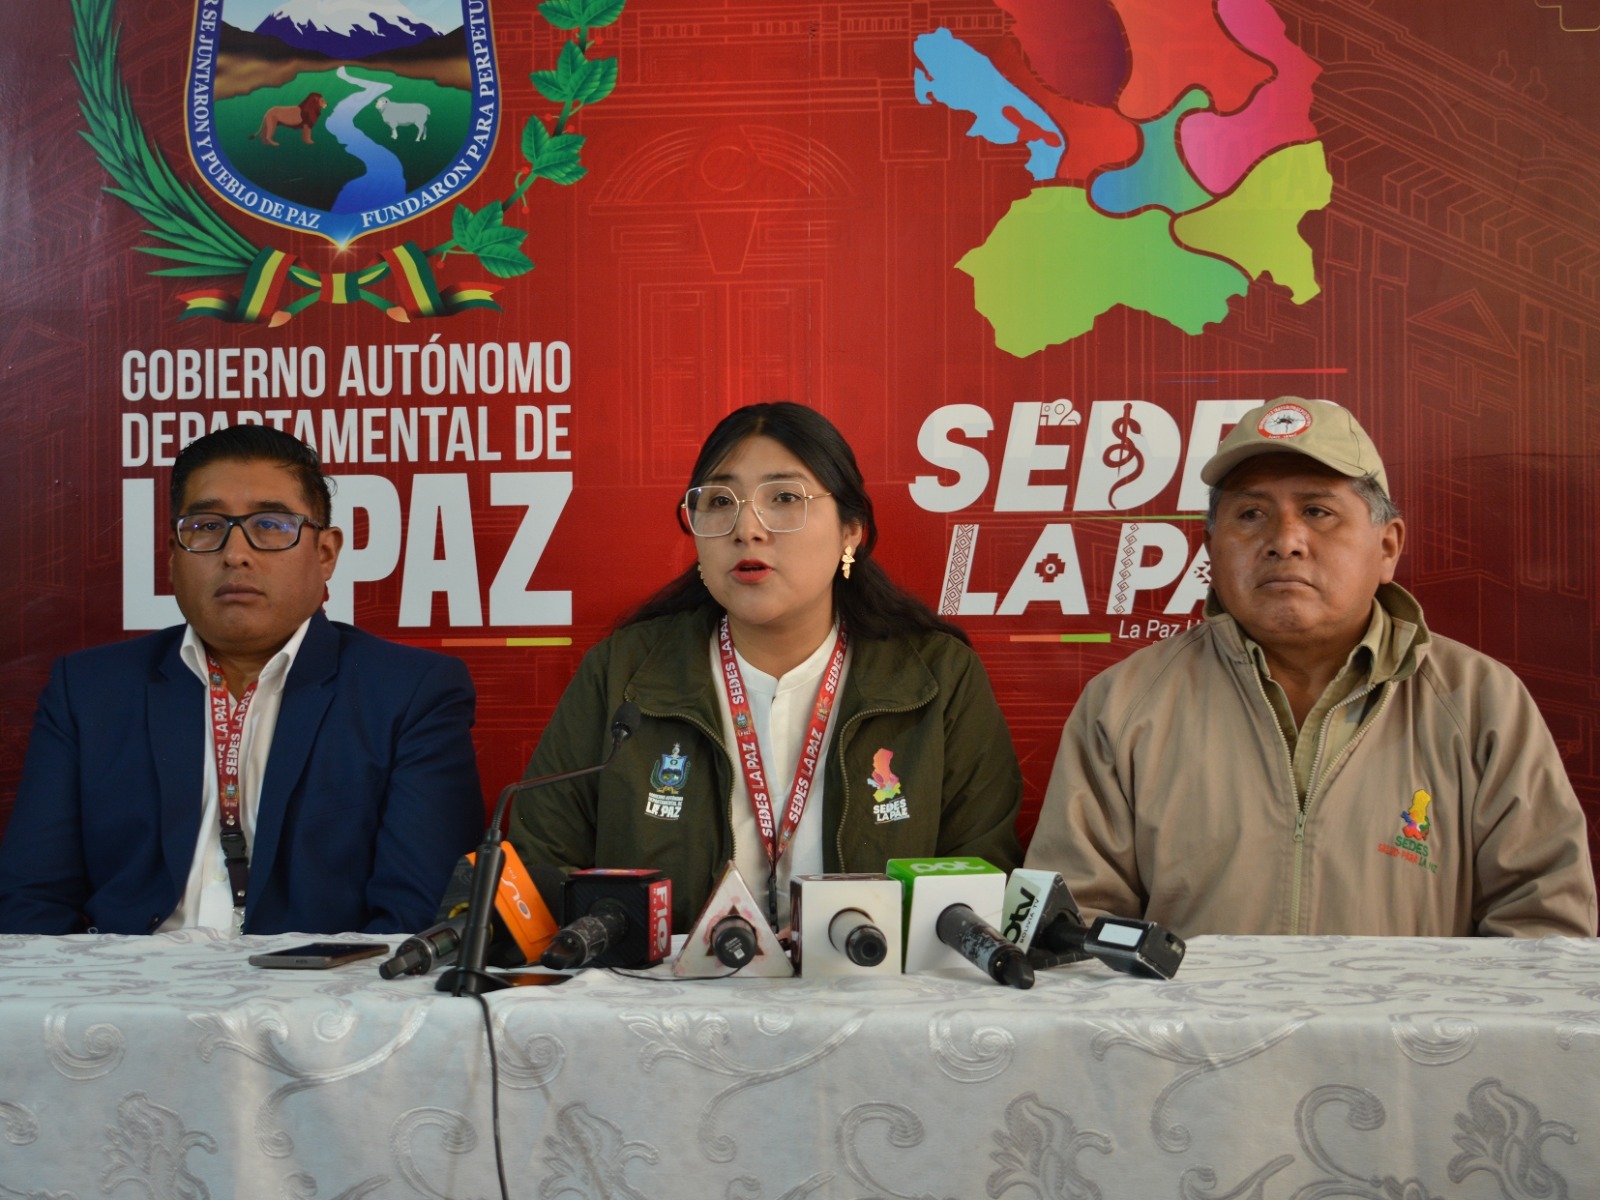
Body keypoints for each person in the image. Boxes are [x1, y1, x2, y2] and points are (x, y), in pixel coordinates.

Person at [1026, 397, 1597, 937]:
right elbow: (1074, 927)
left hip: (1415, 1043)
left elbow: (1544, 928)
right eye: (1251, 514)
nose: (1286, 540)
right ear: (1210, 548)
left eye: (1319, 511)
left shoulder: (1479, 703)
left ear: (1388, 546)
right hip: (1187, 1043)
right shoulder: (1125, 705)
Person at [509, 402, 1022, 931]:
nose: (746, 528)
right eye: (719, 502)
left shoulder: (936, 678)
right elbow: (538, 866)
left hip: (873, 997)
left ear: (852, 531)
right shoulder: (624, 673)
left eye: (783, 498)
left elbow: (983, 882)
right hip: (666, 1002)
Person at [0, 426, 483, 936]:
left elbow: (418, 920)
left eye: (271, 525)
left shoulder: (409, 693)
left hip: (314, 999)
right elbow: (30, 903)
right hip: (126, 1000)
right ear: (172, 554)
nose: (235, 553)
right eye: (207, 526)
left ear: (325, 554)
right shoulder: (90, 690)